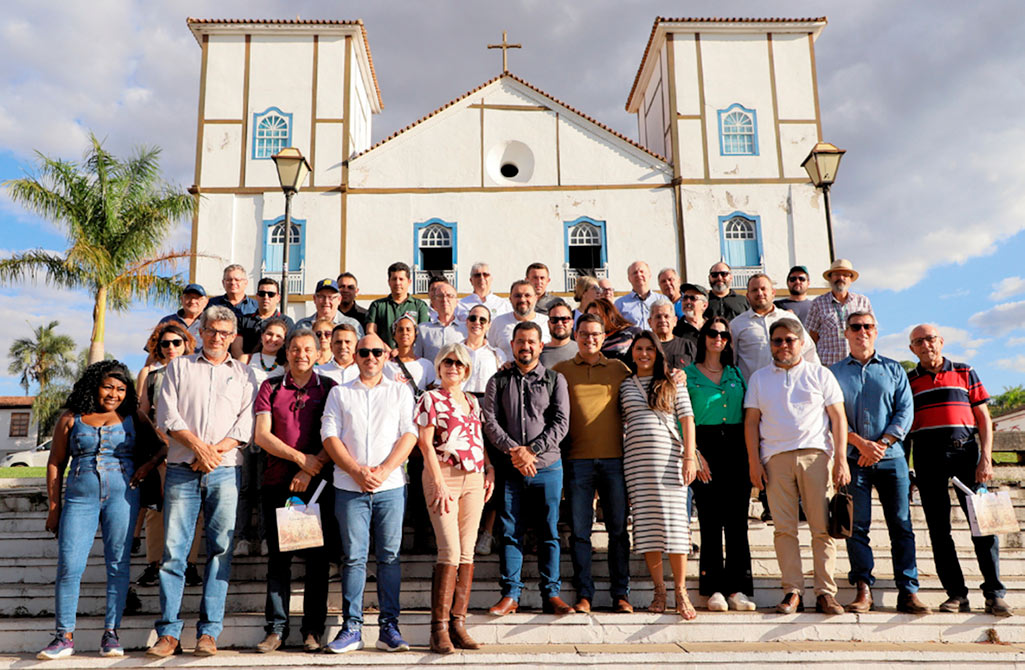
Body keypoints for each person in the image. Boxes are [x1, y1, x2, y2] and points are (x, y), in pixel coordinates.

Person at [148, 305, 258, 658]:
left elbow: (246, 424)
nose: (217, 337)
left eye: (225, 333)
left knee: (220, 551)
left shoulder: (245, 375)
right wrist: (198, 447)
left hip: (224, 470)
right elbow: (167, 415)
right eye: (212, 330)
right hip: (183, 467)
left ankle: (208, 633)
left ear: (233, 336)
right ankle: (168, 633)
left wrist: (214, 453)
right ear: (203, 331)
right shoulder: (178, 367)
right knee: (174, 552)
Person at [37, 361, 165, 660]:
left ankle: (111, 633)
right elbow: (55, 462)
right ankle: (63, 637)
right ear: (95, 385)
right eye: (108, 386)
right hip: (80, 497)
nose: (114, 394)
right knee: (69, 564)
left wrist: (145, 468)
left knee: (118, 564)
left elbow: (161, 448)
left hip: (123, 496)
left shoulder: (134, 416)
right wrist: (54, 507)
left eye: (121, 389)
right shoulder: (72, 418)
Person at [744, 318, 849, 615]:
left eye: (790, 340)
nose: (783, 345)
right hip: (775, 459)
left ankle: (826, 593)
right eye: (777, 340)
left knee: (822, 530)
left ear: (802, 343)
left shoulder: (821, 374)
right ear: (771, 345)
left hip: (817, 457)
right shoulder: (759, 378)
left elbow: (838, 418)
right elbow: (752, 422)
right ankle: (792, 590)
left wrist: (840, 459)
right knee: (784, 530)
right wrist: (754, 462)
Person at [320, 333, 418, 653]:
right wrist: (356, 471)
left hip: (389, 488)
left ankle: (389, 627)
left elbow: (409, 434)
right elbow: (329, 436)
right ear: (356, 355)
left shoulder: (400, 391)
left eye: (377, 351)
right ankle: (352, 627)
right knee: (354, 558)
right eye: (364, 351)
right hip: (349, 487)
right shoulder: (339, 393)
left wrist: (385, 470)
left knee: (389, 557)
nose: (371, 357)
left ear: (387, 355)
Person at [907, 324, 1011, 616]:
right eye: (918, 341)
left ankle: (994, 593)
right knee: (939, 531)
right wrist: (908, 470)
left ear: (941, 341)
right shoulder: (909, 380)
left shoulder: (965, 371)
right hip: (927, 457)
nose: (926, 345)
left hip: (965, 454)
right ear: (912, 349)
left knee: (984, 528)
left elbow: (983, 417)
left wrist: (986, 458)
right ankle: (956, 594)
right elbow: (905, 427)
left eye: (930, 339)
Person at [830, 312, 928, 614]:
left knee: (901, 524)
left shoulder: (894, 369)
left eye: (868, 327)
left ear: (876, 331)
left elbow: (904, 412)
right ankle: (863, 588)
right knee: (856, 526)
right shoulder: (833, 373)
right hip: (852, 459)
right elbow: (831, 416)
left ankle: (908, 591)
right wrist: (860, 444)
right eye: (855, 327)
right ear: (846, 333)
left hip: (892, 459)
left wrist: (882, 445)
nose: (862, 332)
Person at [253, 327, 338, 653]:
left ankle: (313, 630)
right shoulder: (270, 386)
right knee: (279, 560)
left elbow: (337, 434)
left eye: (308, 349)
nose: (301, 354)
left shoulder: (329, 388)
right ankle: (275, 629)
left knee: (317, 561)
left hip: (317, 487)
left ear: (318, 353)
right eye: (295, 349)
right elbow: (262, 435)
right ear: (285, 352)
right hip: (278, 484)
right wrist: (300, 459)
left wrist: (309, 468)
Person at [483, 322, 572, 616]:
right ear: (512, 345)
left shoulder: (554, 379)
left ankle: (552, 595)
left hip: (547, 468)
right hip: (510, 469)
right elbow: (490, 422)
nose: (526, 346)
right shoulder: (498, 381)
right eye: (521, 341)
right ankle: (510, 594)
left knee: (549, 531)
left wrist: (531, 451)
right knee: (510, 532)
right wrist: (515, 452)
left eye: (532, 341)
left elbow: (561, 423)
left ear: (540, 345)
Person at [416, 343, 495, 653]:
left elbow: (477, 438)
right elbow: (424, 443)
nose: (453, 367)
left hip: (474, 478)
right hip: (443, 476)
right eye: (447, 362)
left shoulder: (473, 403)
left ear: (467, 370)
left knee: (467, 553)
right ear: (439, 366)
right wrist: (438, 483)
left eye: (459, 363)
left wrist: (489, 468)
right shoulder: (430, 399)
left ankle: (458, 623)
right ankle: (439, 630)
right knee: (449, 550)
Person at [552, 314, 633, 614]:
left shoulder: (618, 369)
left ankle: (620, 594)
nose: (590, 339)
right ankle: (584, 594)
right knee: (581, 532)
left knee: (618, 531)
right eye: (584, 334)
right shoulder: (561, 371)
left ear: (603, 336)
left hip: (615, 461)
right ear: (575, 335)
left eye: (596, 334)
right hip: (576, 462)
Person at [619, 331, 698, 619]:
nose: (643, 354)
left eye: (649, 349)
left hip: (670, 461)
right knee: (648, 527)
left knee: (676, 529)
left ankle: (680, 591)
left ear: (658, 353)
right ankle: (659, 591)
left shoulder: (673, 382)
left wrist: (690, 457)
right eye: (639, 349)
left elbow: (687, 419)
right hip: (636, 464)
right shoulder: (624, 385)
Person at [685, 318, 755, 612]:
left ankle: (738, 588)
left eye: (724, 335)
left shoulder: (736, 373)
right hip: (705, 445)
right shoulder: (688, 374)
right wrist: (694, 452)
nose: (718, 338)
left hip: (736, 445)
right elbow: (681, 417)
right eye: (712, 333)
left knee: (737, 521)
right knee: (711, 520)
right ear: (703, 338)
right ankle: (712, 587)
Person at [135, 323, 203, 589]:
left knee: (192, 510)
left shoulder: (197, 370)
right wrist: (155, 445)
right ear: (158, 347)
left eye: (177, 342)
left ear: (186, 343)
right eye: (165, 343)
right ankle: (154, 564)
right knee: (156, 508)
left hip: (189, 446)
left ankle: (190, 564)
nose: (171, 347)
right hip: (159, 447)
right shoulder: (150, 373)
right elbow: (143, 412)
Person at [235, 317, 289, 557]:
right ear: (262, 335)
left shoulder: (285, 365)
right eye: (269, 334)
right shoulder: (246, 360)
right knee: (246, 488)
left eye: (279, 336)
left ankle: (268, 538)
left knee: (267, 487)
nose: (273, 339)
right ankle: (242, 539)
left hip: (272, 434)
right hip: (247, 432)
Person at [386, 314, 437, 552]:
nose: (405, 333)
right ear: (394, 334)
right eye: (400, 329)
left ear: (415, 334)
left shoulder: (425, 365)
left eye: (409, 329)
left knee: (418, 484)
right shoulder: (385, 364)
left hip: (417, 432)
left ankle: (421, 537)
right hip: (389, 432)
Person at [460, 304, 507, 556]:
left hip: (489, 416)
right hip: (461, 414)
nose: (477, 322)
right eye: (472, 318)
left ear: (489, 324)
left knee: (492, 475)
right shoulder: (455, 351)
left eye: (482, 319)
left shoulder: (498, 354)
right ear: (466, 321)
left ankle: (487, 533)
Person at [731, 274, 819, 381]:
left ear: (773, 292)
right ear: (748, 296)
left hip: (791, 387)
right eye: (754, 290)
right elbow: (731, 361)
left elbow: (809, 352)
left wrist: (815, 381)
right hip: (755, 391)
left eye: (763, 289)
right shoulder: (737, 325)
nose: (759, 293)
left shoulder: (789, 318)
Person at [806, 259, 873, 367]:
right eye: (836, 274)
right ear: (830, 278)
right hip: (828, 366)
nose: (841, 278)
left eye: (845, 275)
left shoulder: (862, 302)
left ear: (851, 279)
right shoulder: (817, 303)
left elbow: (871, 332)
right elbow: (812, 337)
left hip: (857, 365)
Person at [366, 262, 429, 346]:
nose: (397, 283)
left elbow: (422, 334)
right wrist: (387, 350)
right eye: (394, 279)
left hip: (412, 356)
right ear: (389, 282)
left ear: (409, 282)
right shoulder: (377, 305)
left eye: (401, 279)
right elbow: (370, 331)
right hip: (385, 356)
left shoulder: (420, 306)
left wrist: (404, 351)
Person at [232, 278, 294, 360]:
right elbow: (236, 348)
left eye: (271, 294)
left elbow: (290, 348)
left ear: (278, 298)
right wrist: (248, 365)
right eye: (262, 293)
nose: (266, 297)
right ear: (257, 296)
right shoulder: (243, 320)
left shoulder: (286, 322)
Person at [489, 280, 550, 360]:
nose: (522, 300)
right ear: (510, 299)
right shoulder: (498, 322)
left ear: (536, 298)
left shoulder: (547, 323)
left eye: (527, 295)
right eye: (517, 296)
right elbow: (490, 352)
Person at [416, 281, 467, 363]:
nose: (444, 299)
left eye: (449, 296)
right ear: (434, 302)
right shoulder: (423, 330)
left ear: (456, 302)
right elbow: (417, 358)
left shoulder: (465, 329)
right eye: (440, 296)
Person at [295, 279, 364, 336]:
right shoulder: (301, 326)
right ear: (314, 299)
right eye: (322, 296)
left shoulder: (352, 325)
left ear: (339, 299)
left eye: (331, 297)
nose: (326, 301)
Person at [585, 297, 640, 362]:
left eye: (597, 316)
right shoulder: (589, 339)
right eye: (589, 317)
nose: (593, 321)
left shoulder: (630, 333)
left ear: (609, 314)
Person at [649, 297, 694, 370]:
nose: (663, 320)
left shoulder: (687, 346)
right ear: (649, 322)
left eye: (666, 316)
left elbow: (699, 372)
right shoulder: (642, 346)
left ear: (675, 321)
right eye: (658, 317)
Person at [614, 261, 661, 326]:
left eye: (642, 271)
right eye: (635, 273)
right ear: (629, 278)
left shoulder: (661, 300)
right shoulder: (620, 304)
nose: (639, 275)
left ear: (649, 275)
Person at [540, 299, 577, 368]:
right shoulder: (538, 352)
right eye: (554, 320)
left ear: (572, 323)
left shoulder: (582, 351)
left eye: (565, 319)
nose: (559, 323)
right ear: (548, 324)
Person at [672, 283, 708, 347]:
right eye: (685, 298)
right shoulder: (675, 330)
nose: (687, 301)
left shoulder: (711, 327)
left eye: (692, 298)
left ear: (704, 305)